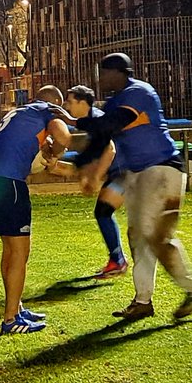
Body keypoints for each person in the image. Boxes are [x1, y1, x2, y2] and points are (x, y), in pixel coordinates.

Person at [72, 53, 192, 321]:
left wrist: (79, 120)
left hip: (161, 168)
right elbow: (101, 138)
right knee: (139, 237)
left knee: (153, 234)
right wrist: (81, 164)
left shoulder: (138, 91)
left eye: (106, 72)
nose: (102, 78)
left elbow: (111, 125)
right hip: (138, 173)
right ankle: (142, 301)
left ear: (120, 72)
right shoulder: (115, 101)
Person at [0, 85, 74, 334]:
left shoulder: (21, 113)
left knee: (10, 250)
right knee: (20, 253)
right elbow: (65, 137)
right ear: (55, 104)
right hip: (10, 183)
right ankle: (11, 320)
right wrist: (54, 153)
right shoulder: (47, 111)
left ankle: (16, 306)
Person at [61, 85, 129, 279]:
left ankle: (119, 260)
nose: (67, 106)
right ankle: (118, 260)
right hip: (122, 173)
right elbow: (93, 153)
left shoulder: (98, 119)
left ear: (83, 103)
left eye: (70, 101)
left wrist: (94, 177)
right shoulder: (94, 119)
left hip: (126, 174)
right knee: (103, 212)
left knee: (104, 212)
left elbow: (110, 149)